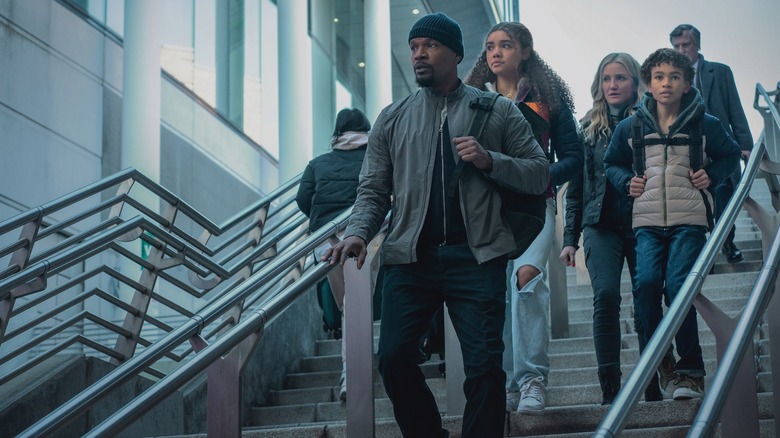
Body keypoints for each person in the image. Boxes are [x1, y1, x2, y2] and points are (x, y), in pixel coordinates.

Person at [324, 12, 549, 438]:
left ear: (456, 55)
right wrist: (357, 232)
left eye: (429, 45)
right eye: (413, 47)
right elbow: (372, 190)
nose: (419, 54)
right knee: (393, 358)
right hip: (410, 259)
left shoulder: (497, 110)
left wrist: (489, 159)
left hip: (477, 255)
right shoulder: (392, 118)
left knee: (484, 367)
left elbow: (539, 173)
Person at [604, 48, 740, 400]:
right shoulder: (630, 126)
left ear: (686, 83)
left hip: (690, 221)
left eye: (675, 77)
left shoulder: (706, 124)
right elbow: (612, 163)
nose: (667, 83)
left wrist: (711, 174)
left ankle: (691, 371)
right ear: (647, 84)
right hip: (646, 222)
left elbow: (730, 156)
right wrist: (624, 182)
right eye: (660, 77)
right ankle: (658, 354)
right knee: (646, 284)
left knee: (679, 287)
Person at [465, 22, 582, 414]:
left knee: (527, 278)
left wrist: (539, 176)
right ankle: (509, 385)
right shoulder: (471, 100)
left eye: (506, 45)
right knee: (495, 292)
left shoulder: (546, 99)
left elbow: (573, 157)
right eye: (490, 46)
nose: (495, 53)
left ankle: (532, 380)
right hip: (485, 210)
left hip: (534, 204)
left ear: (526, 51)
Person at [559, 52, 671, 404]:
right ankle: (610, 388)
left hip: (645, 223)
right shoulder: (588, 128)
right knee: (605, 295)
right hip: (600, 226)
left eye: (620, 78)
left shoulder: (654, 122)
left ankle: (652, 382)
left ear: (637, 83)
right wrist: (569, 239)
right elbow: (577, 188)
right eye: (606, 79)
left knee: (647, 301)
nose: (612, 85)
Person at [295, 107, 371, 402]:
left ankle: (350, 374)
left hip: (326, 241)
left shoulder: (318, 163)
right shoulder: (375, 157)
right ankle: (357, 371)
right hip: (366, 236)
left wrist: (325, 221)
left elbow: (304, 199)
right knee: (362, 302)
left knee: (348, 306)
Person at [670, 24, 754, 263]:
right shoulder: (669, 77)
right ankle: (702, 253)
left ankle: (726, 242)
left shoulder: (720, 72)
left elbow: (735, 109)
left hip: (718, 148)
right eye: (676, 46)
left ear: (698, 45)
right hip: (685, 152)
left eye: (686, 45)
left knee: (722, 198)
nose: (681, 50)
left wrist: (745, 144)